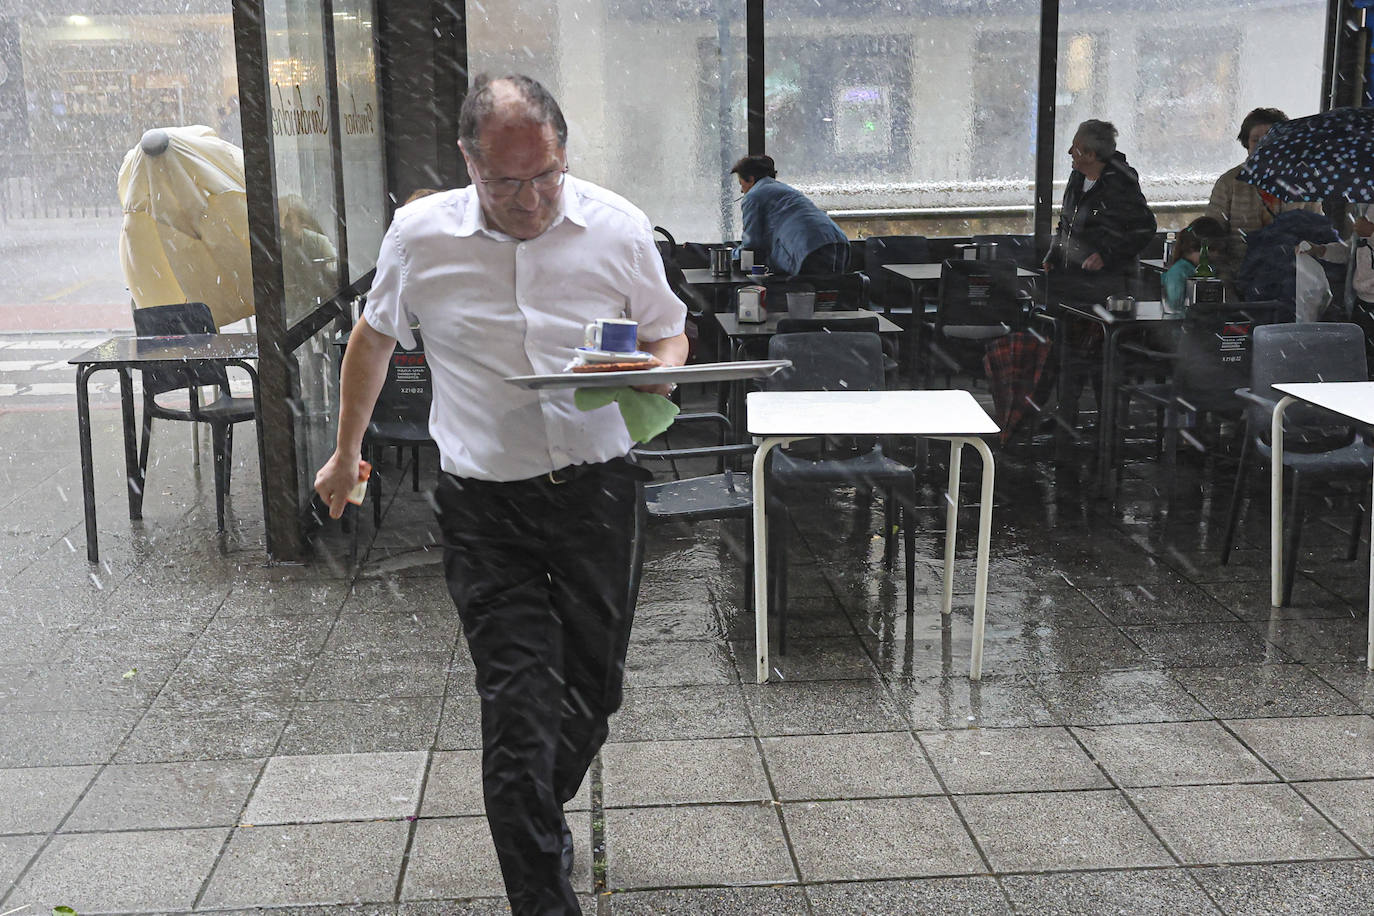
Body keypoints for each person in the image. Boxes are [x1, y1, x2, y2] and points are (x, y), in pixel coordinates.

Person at [313, 74, 688, 915]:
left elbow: (669, 331)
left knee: (593, 696)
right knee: (519, 707)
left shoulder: (618, 228)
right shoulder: (422, 236)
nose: (531, 200)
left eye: (547, 175)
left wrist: (659, 374)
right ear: (467, 163)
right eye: (507, 182)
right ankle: (540, 891)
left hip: (599, 493)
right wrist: (344, 455)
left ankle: (525, 817)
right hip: (487, 510)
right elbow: (372, 341)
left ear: (564, 151)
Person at [1045, 119, 1157, 305]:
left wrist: (1107, 255)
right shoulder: (1077, 177)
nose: (1070, 152)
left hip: (1108, 286)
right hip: (1072, 279)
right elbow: (1066, 221)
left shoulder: (1120, 184)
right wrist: (1055, 253)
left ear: (1091, 155)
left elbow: (1145, 227)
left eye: (1076, 147)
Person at [1205, 107, 1323, 282]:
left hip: (1293, 281)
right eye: (1255, 140)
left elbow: (1319, 233)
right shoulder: (1229, 182)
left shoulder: (1304, 182)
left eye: (1270, 138)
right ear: (1247, 145)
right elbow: (1211, 237)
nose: (1263, 145)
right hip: (1240, 279)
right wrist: (1226, 284)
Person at [730, 154, 851, 276]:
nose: (742, 190)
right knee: (831, 289)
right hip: (839, 243)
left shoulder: (753, 196)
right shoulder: (785, 190)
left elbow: (751, 246)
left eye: (741, 183)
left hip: (807, 247)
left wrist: (731, 255)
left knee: (800, 292)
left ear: (751, 179)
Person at [1160, 216, 1227, 313]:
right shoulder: (1178, 273)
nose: (1216, 254)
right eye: (1212, 249)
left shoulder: (1212, 268)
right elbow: (1175, 307)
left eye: (1219, 250)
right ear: (1193, 248)